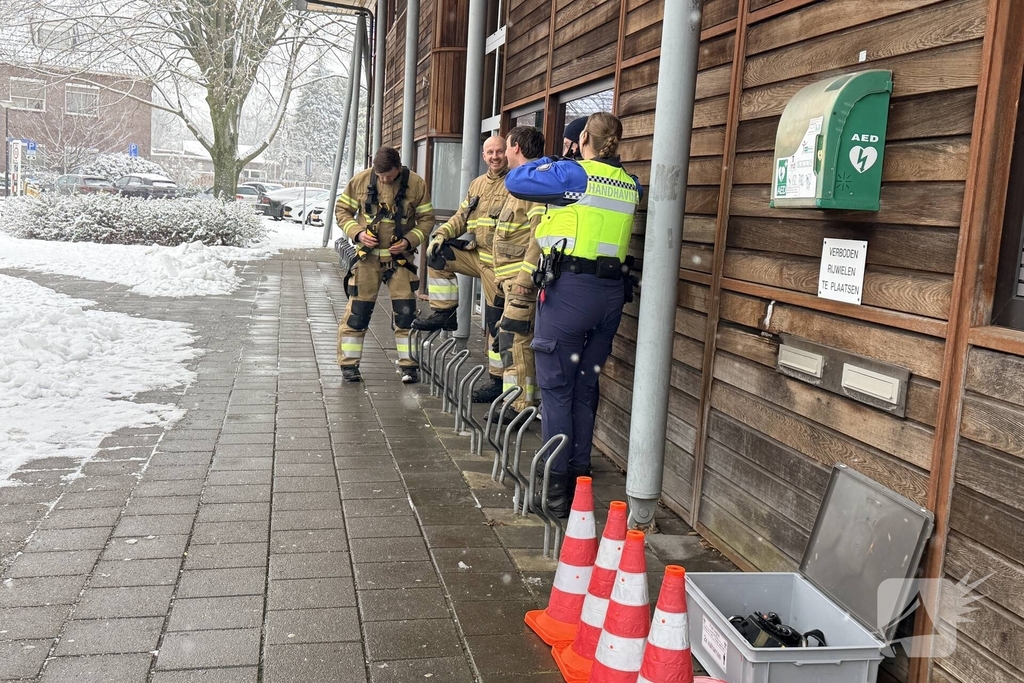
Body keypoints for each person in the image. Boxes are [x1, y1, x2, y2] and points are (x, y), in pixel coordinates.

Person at [505, 112, 642, 517]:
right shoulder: (629, 184)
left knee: (556, 389)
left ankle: (553, 489)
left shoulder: (573, 175)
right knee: (585, 387)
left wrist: (559, 159)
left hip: (570, 294)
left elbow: (516, 181)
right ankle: (580, 475)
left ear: (583, 138)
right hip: (610, 295)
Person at [413, 135, 509, 403]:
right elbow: (462, 217)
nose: (494, 157)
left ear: (507, 153)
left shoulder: (515, 184)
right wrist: (441, 233)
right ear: (483, 155)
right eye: (489, 152)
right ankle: (444, 314)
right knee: (437, 254)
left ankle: (497, 380)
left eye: (499, 151)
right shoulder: (477, 184)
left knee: (495, 324)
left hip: (500, 267)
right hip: (477, 255)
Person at [335, 146, 435, 384]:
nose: (384, 180)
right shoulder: (360, 181)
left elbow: (427, 219)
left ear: (398, 168)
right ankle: (349, 365)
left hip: (400, 261)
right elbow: (342, 211)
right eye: (380, 177)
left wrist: (409, 240)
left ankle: (409, 366)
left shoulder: (416, 184)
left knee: (406, 314)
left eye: (389, 176)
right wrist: (358, 233)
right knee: (357, 313)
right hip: (367, 260)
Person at [492, 126, 546, 417]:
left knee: (517, 342)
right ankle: (514, 400)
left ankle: (522, 405)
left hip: (521, 284)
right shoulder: (523, 182)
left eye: (506, 146)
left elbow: (539, 236)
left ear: (515, 148)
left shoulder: (534, 183)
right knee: (510, 341)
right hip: (510, 282)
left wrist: (525, 280)